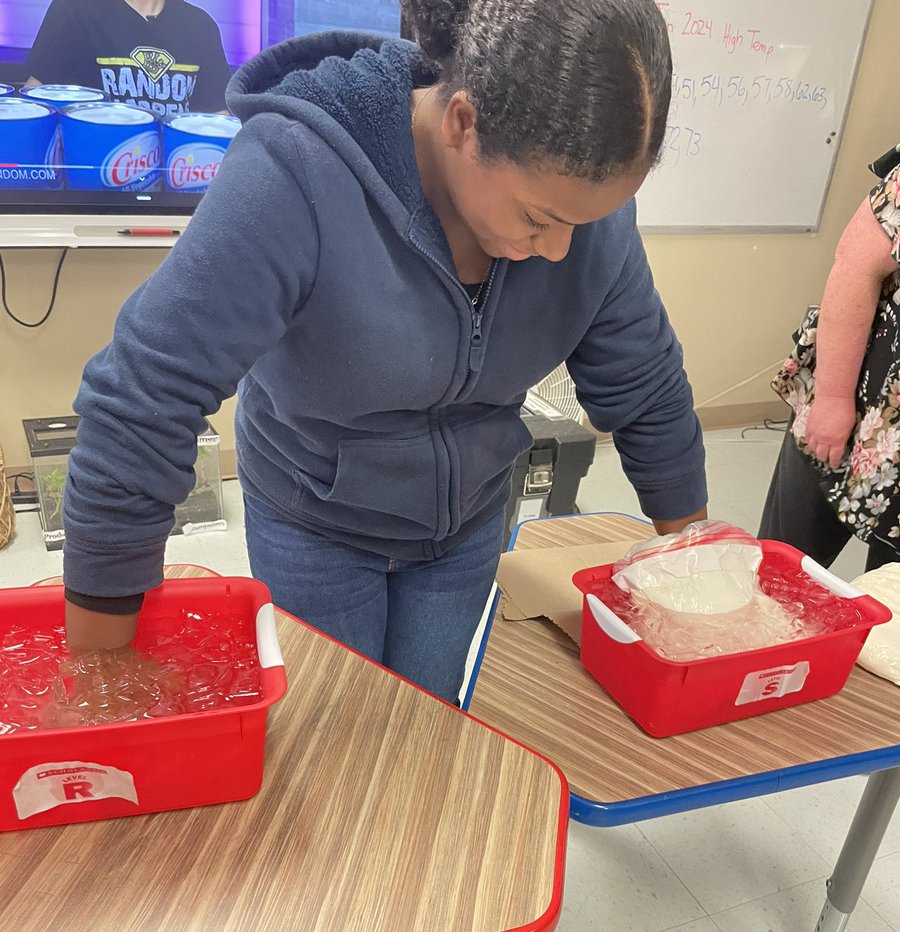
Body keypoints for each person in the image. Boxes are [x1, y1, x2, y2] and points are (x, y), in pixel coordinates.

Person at [62, 0, 708, 705]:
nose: (559, 249)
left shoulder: (588, 223)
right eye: (539, 219)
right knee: (335, 745)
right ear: (463, 122)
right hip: (317, 518)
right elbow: (141, 402)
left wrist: (706, 583)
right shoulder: (294, 173)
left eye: (581, 224)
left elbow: (645, 386)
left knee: (422, 726)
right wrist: (100, 674)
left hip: (466, 523)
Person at [760, 143, 900, 571]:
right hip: (860, 396)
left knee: (889, 608)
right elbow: (856, 264)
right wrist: (834, 397)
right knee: (781, 571)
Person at [24, 0, 231, 117]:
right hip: (93, 179)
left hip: (174, 178)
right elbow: (35, 101)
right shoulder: (74, 10)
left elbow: (219, 114)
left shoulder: (201, 26)